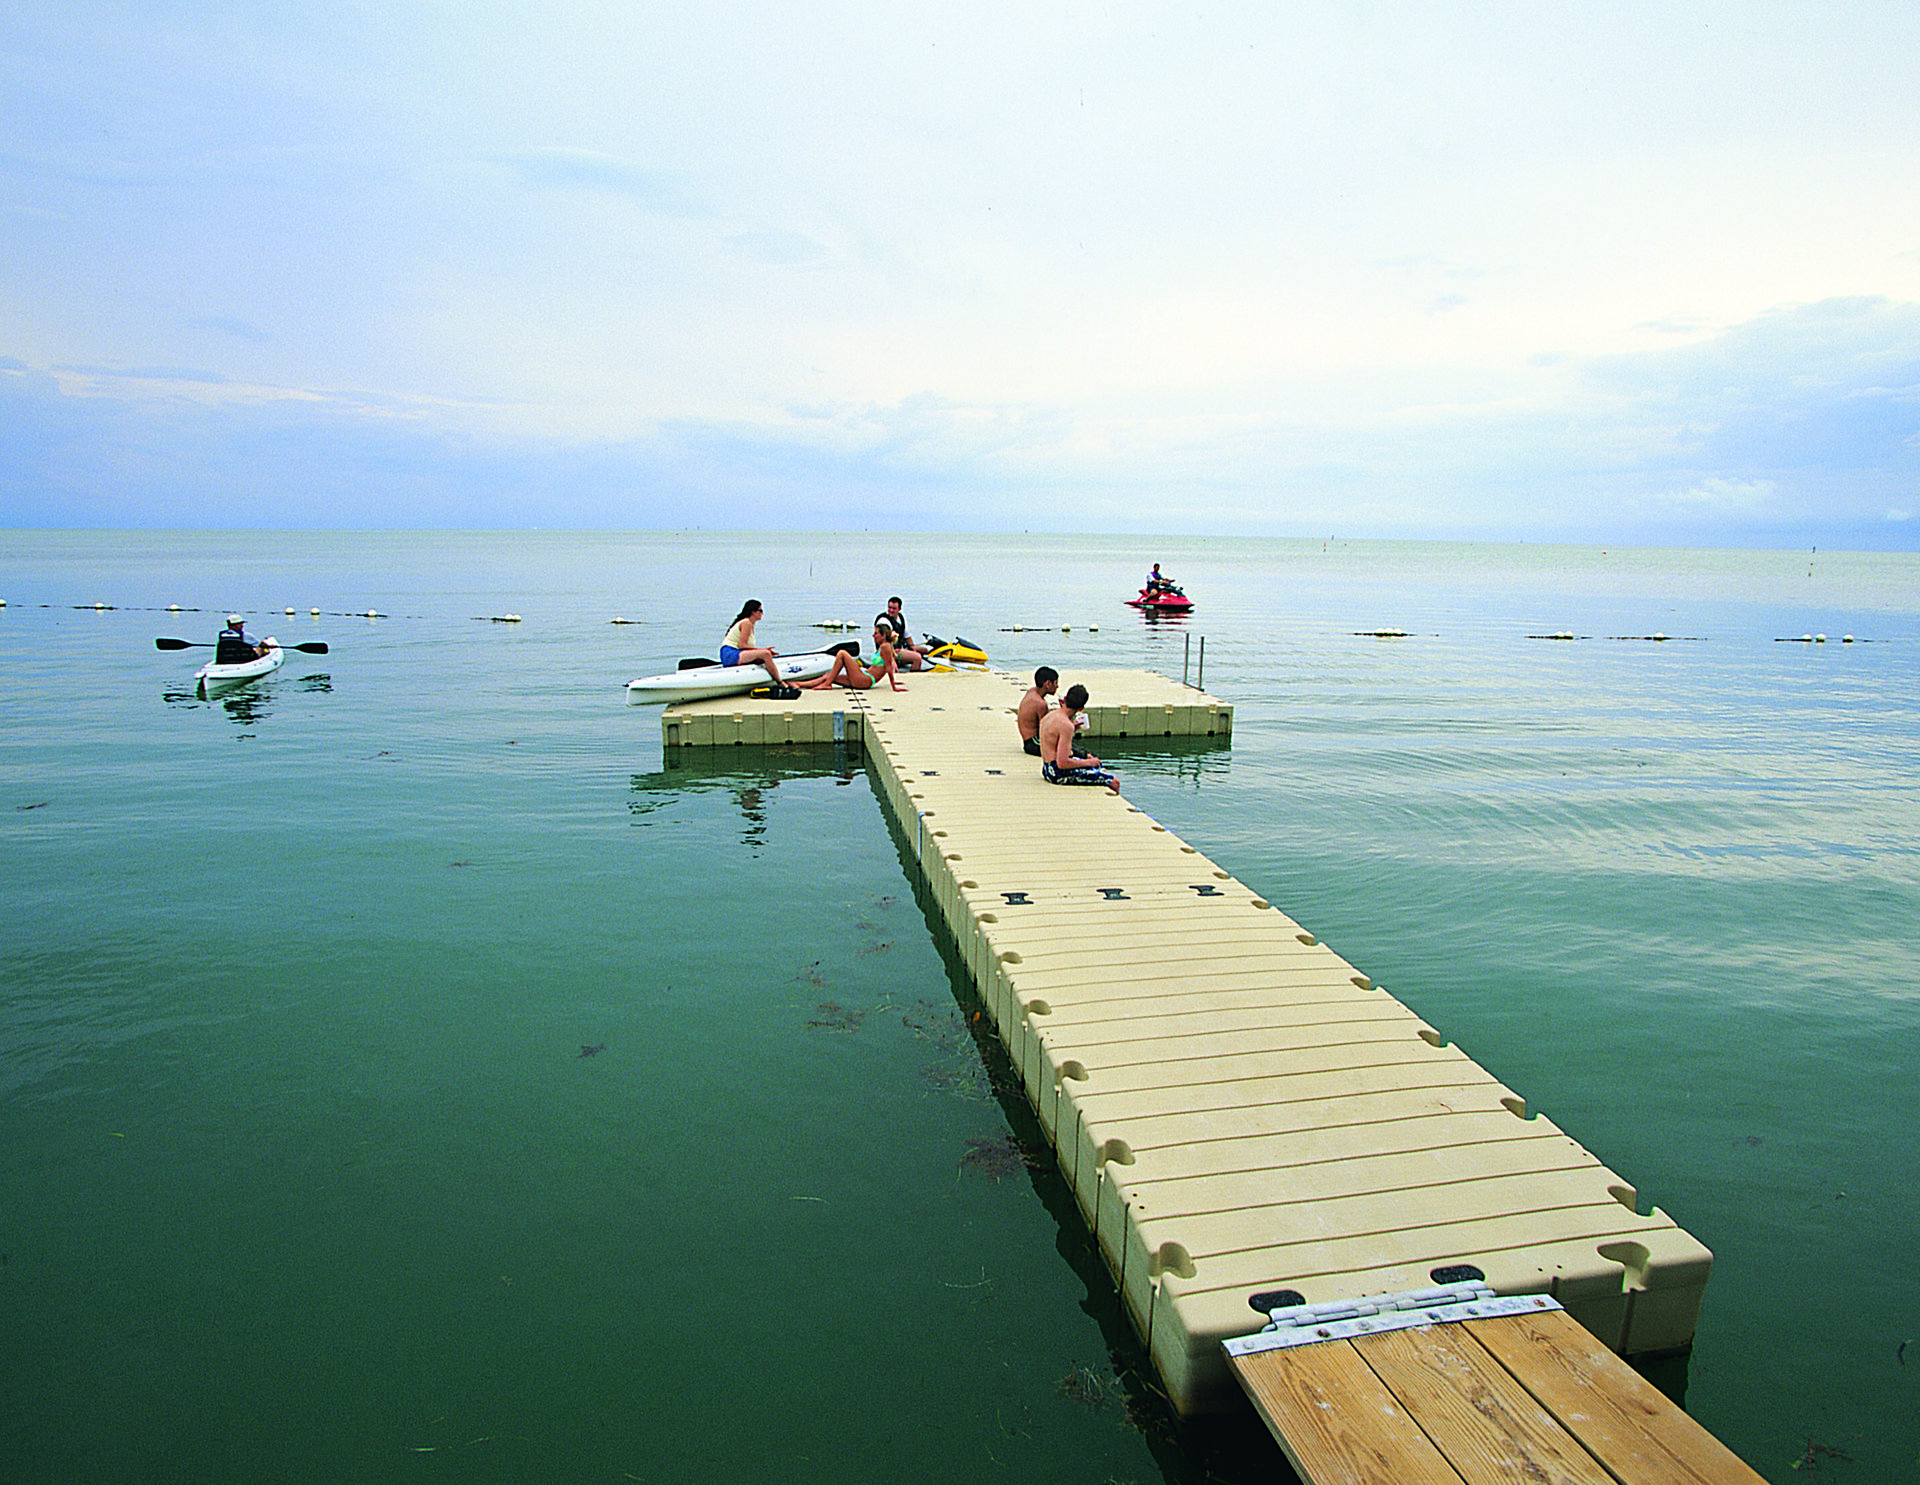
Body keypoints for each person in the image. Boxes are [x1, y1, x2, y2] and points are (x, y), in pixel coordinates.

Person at [1037, 684, 1117, 792]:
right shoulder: (1066, 725)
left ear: (1065, 699)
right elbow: (1062, 763)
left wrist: (1072, 729)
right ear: (1081, 708)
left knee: (1097, 765)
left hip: (1047, 769)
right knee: (1113, 781)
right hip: (1057, 774)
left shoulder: (1050, 715)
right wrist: (1089, 763)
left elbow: (1053, 739)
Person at [798, 623, 906, 692]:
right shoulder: (883, 646)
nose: (873, 636)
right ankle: (798, 684)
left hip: (866, 680)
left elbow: (888, 667)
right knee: (828, 675)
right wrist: (894, 682)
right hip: (863, 677)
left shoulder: (885, 647)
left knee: (842, 654)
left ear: (883, 636)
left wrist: (893, 686)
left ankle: (827, 684)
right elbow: (886, 665)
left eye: (876, 633)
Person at [721, 599, 787, 692]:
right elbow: (742, 645)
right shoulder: (746, 623)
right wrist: (762, 650)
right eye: (760, 610)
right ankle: (780, 682)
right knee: (765, 654)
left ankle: (771, 673)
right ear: (753, 612)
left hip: (737, 653)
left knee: (763, 657)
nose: (762, 613)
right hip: (731, 654)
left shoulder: (750, 624)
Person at [874, 596, 929, 670]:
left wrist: (912, 648)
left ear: (899, 609)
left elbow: (907, 636)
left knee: (924, 650)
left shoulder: (901, 618)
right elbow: (884, 643)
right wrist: (892, 661)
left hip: (900, 648)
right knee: (917, 657)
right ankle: (914, 674)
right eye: (889, 607)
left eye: (894, 608)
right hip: (890, 651)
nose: (891, 610)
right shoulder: (884, 621)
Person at [1017, 666, 1059, 755]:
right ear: (1047, 684)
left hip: (1028, 742)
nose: (1057, 686)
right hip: (1033, 743)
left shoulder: (1032, 692)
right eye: (1055, 683)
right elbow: (1047, 730)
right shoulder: (1040, 704)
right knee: (1068, 749)